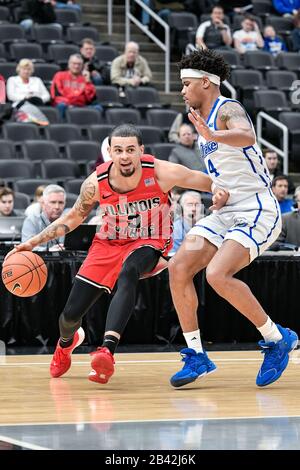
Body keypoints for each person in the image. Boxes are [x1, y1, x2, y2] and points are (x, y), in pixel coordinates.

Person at [6, 124, 229, 385]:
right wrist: (33, 242)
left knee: (129, 271)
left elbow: (204, 180)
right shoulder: (96, 182)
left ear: (141, 151)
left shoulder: (161, 171)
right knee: (68, 317)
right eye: (119, 150)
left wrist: (220, 192)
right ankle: (67, 342)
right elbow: (74, 217)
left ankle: (106, 351)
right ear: (110, 152)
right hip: (108, 244)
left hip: (148, 240)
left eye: (131, 150)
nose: (125, 155)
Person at [168, 49, 298, 389]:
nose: (182, 90)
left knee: (216, 274)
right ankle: (197, 355)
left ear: (207, 83)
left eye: (187, 83)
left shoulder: (228, 109)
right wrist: (219, 192)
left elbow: (247, 135)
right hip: (226, 210)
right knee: (179, 268)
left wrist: (213, 136)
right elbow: (227, 171)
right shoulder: (200, 125)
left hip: (257, 209)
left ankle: (276, 338)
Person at [51, 54, 102, 120]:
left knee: (98, 108)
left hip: (82, 106)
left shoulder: (85, 78)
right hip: (66, 105)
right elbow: (56, 96)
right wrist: (72, 102)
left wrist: (88, 82)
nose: (76, 66)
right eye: (74, 63)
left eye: (79, 64)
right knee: (61, 105)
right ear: (69, 64)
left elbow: (90, 99)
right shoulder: (59, 75)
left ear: (82, 66)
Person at [21, 184, 66, 251]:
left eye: (61, 202)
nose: (57, 207)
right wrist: (48, 250)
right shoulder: (31, 221)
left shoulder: (68, 221)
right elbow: (26, 246)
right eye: (53, 202)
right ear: (43, 203)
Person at [169, 190, 203, 255]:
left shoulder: (207, 225)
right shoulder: (175, 229)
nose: (194, 209)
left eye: (197, 205)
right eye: (189, 205)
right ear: (181, 208)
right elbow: (172, 256)